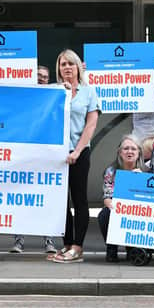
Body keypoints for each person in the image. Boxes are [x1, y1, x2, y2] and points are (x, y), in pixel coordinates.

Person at [50, 50, 99, 263]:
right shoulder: (54, 91)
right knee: (61, 202)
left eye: (71, 63)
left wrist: (77, 151)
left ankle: (78, 247)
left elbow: (91, 124)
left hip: (79, 152)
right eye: (63, 64)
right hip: (57, 154)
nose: (67, 67)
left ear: (79, 66)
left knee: (79, 199)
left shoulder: (89, 92)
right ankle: (67, 244)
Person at [10, 65, 57, 254]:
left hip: (46, 156)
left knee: (47, 198)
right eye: (38, 75)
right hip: (25, 156)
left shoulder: (55, 100)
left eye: (45, 77)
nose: (41, 79)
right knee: (20, 198)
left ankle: (49, 241)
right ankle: (18, 241)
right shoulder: (23, 99)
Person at [97, 135, 145, 262]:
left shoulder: (146, 170)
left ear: (139, 152)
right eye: (126, 148)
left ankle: (133, 248)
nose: (130, 152)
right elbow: (107, 197)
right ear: (120, 152)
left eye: (133, 149)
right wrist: (116, 208)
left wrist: (140, 180)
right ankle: (111, 248)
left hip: (140, 210)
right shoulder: (111, 171)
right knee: (104, 214)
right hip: (118, 207)